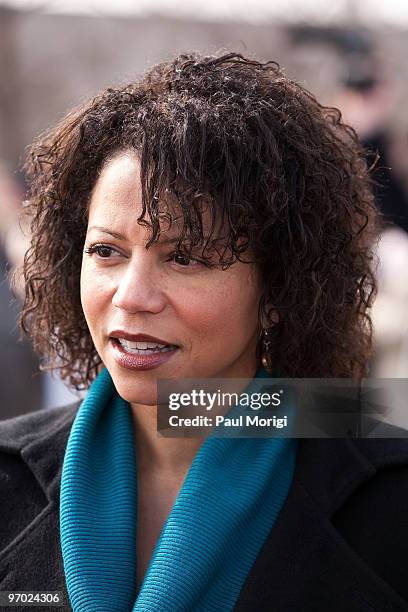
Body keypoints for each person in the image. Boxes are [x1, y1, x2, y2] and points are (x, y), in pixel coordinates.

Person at [0, 51, 407, 612]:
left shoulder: (390, 497)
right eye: (105, 251)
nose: (131, 295)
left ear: (278, 290)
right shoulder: (7, 475)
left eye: (185, 257)